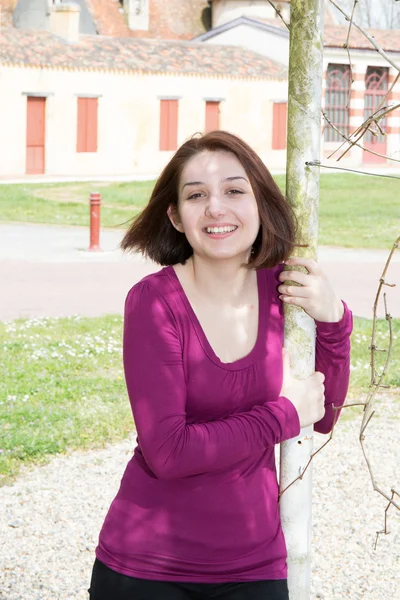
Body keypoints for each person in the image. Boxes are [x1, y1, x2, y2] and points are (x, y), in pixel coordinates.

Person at [89, 131, 352, 600]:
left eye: (234, 190)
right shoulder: (154, 303)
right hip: (148, 567)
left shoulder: (286, 295)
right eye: (196, 195)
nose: (216, 208)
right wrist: (283, 414)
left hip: (254, 565)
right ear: (175, 215)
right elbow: (169, 452)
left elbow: (323, 412)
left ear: (260, 203)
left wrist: (334, 318)